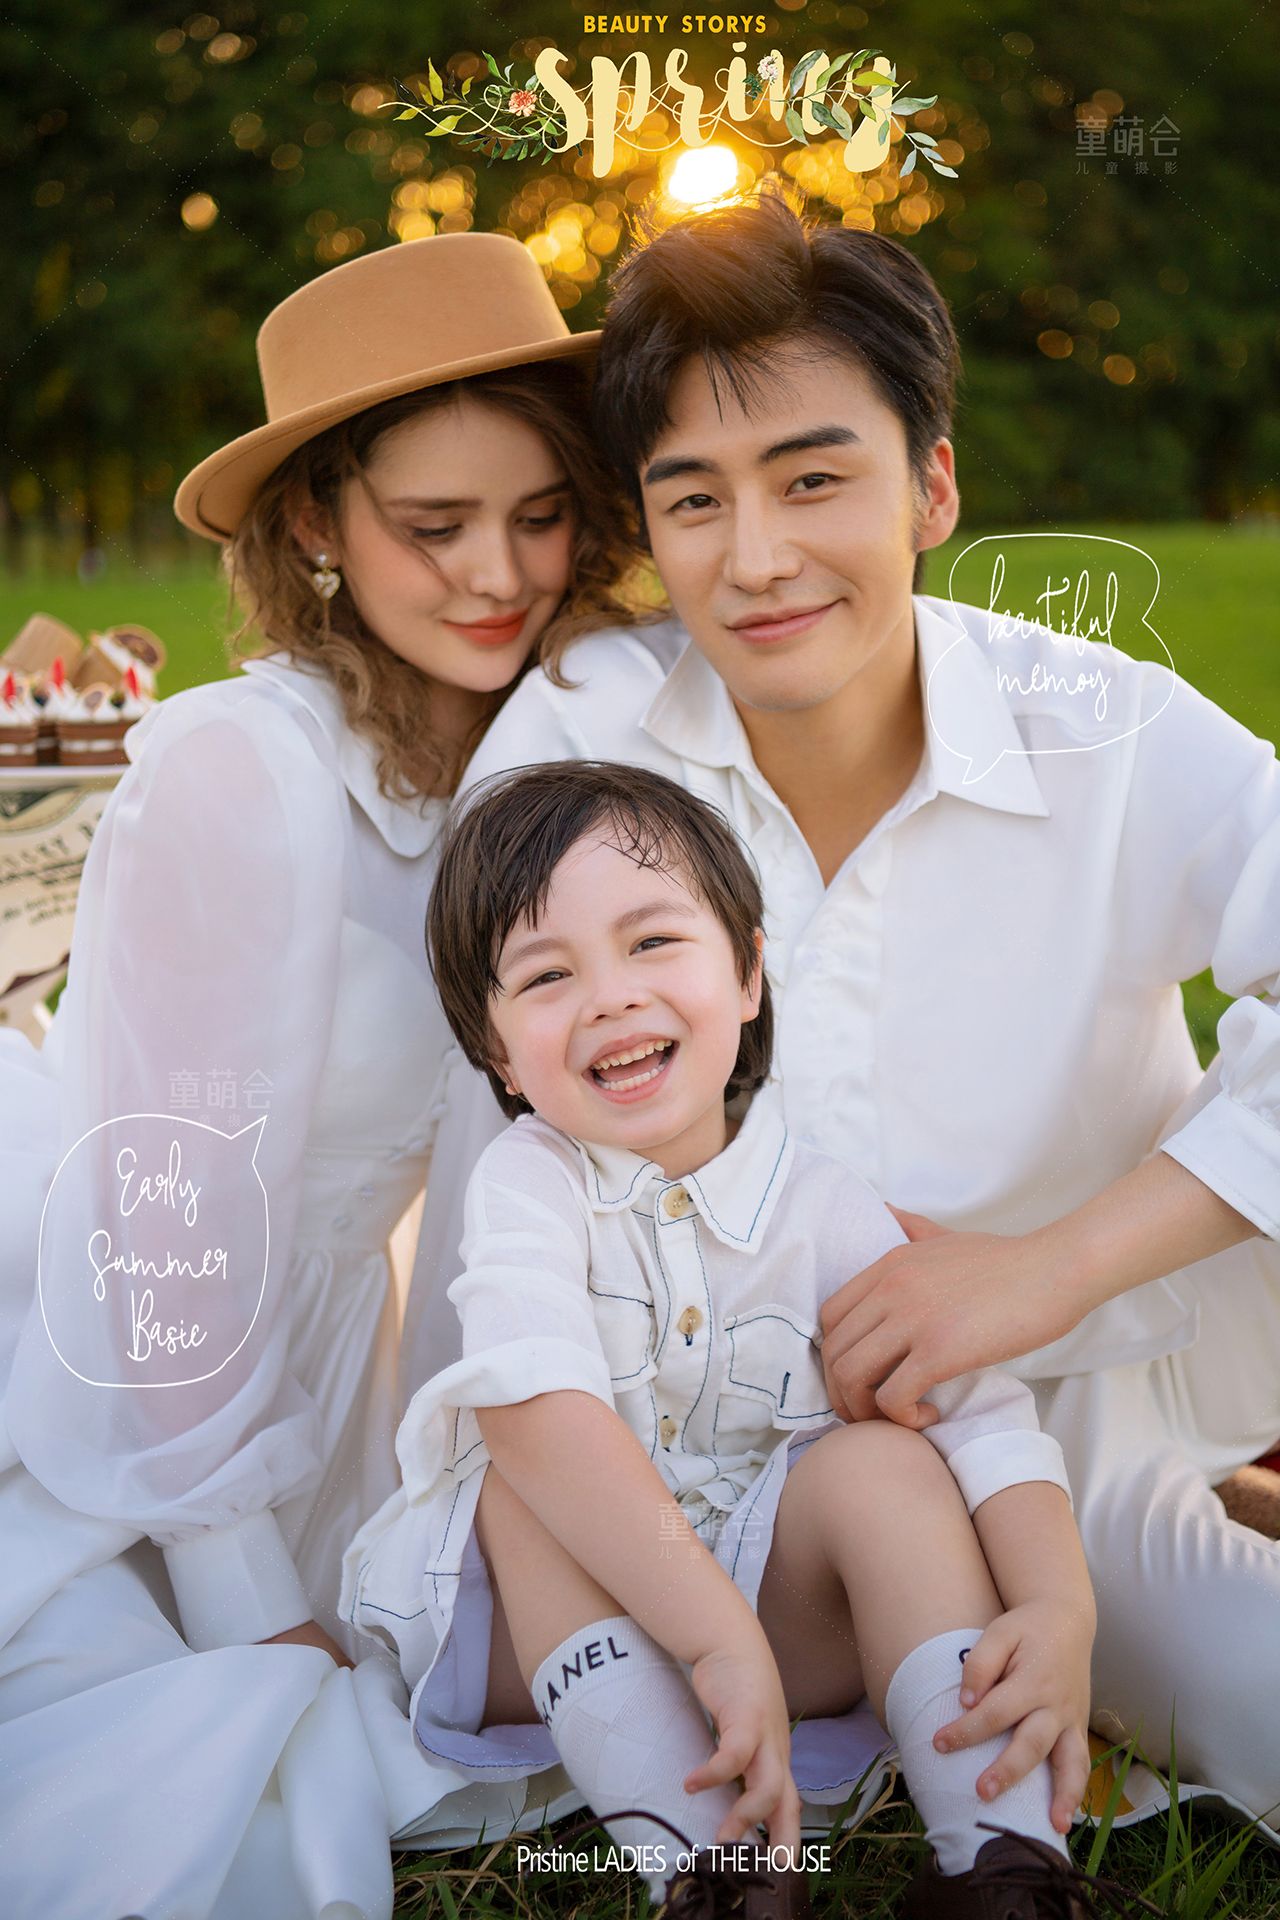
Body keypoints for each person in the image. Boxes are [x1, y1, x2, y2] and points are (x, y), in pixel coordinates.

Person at [406, 189, 1280, 1840]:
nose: (755, 558)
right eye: (695, 499)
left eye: (815, 479)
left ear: (932, 485)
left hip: (1061, 1418)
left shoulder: (1095, 726)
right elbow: (492, 1134)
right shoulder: (580, 742)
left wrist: (1043, 1269)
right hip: (691, 1466)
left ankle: (1193, 1522)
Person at [0, 233, 639, 1920]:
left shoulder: (539, 741)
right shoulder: (241, 769)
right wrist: (242, 1592)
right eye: (434, 526)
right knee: (225, 1744)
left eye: (540, 515)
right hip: (143, 1357)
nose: (497, 573)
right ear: (315, 525)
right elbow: (162, 1214)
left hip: (349, 1352)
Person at [344, 759, 1101, 1918]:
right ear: (497, 1054)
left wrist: (1058, 1607)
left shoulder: (823, 1204)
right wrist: (707, 1641)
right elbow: (535, 1413)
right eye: (546, 975)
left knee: (886, 1460)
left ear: (747, 973)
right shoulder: (532, 1184)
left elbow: (978, 1418)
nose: (609, 998)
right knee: (519, 1472)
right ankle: (720, 1875)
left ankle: (1000, 1864)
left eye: (652, 942)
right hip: (563, 1631)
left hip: (775, 1616)